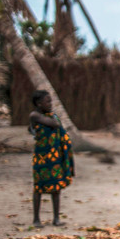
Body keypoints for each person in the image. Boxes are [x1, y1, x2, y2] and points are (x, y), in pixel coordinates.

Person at [29, 90, 74, 227]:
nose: (50, 104)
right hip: (42, 158)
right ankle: (36, 219)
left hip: (54, 157)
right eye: (47, 101)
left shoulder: (50, 115)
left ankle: (56, 219)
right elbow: (54, 125)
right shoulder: (35, 115)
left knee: (56, 188)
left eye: (51, 101)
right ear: (38, 103)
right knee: (39, 188)